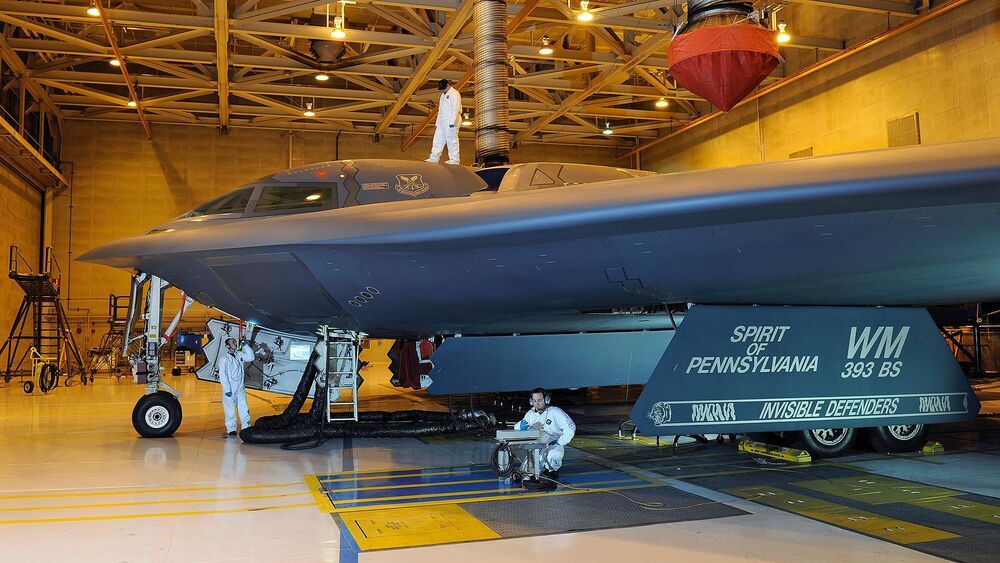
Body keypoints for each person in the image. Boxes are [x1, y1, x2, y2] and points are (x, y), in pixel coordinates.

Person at [517, 387, 576, 479]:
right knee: (527, 470)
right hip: (537, 446)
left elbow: (570, 427)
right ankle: (540, 470)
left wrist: (560, 442)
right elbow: (518, 427)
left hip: (552, 443)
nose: (537, 403)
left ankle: (552, 471)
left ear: (546, 400)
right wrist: (520, 426)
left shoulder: (555, 412)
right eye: (534, 401)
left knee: (554, 456)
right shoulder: (530, 414)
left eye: (539, 400)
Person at [219, 337, 254, 436]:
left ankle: (246, 427)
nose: (235, 343)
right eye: (232, 342)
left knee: (244, 408)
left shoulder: (240, 354)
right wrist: (227, 389)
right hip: (229, 390)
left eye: (235, 341)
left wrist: (246, 346)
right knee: (230, 410)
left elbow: (251, 357)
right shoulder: (224, 359)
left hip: (240, 388)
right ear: (227, 346)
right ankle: (231, 429)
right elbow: (223, 374)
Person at [425, 79, 463, 165]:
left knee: (451, 139)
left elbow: (455, 108)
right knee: (437, 138)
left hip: (452, 118)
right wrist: (437, 123)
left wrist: (452, 122)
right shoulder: (442, 95)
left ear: (448, 85)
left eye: (443, 88)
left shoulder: (455, 93)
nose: (442, 90)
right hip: (442, 120)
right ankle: (434, 158)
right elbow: (440, 109)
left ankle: (454, 159)